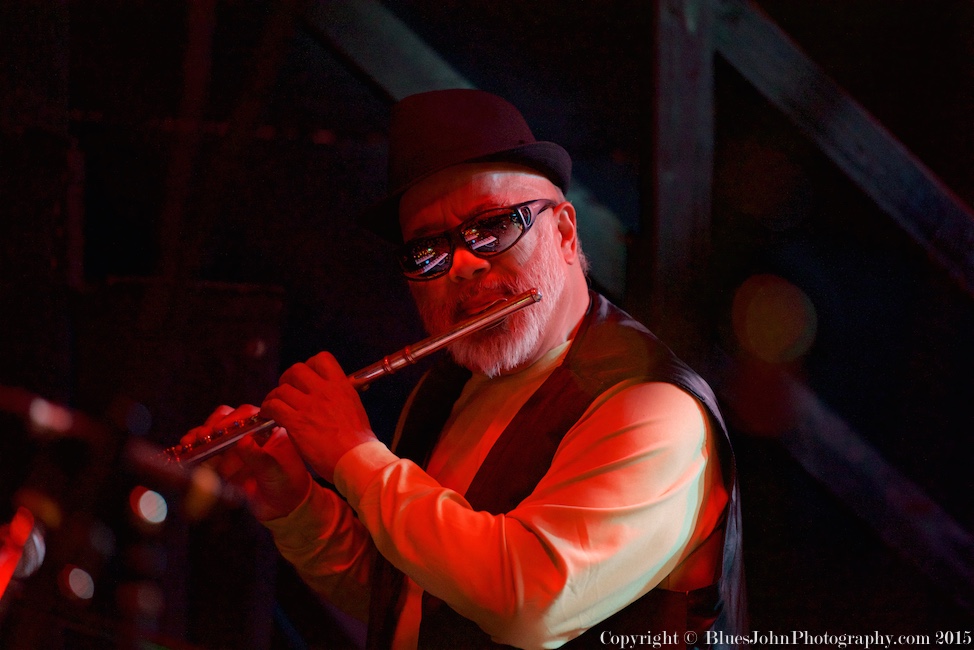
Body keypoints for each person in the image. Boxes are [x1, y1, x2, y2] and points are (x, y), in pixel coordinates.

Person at [184, 89, 745, 649]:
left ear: (566, 233)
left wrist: (355, 454)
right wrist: (298, 506)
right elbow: (417, 601)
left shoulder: (652, 406)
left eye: (492, 227)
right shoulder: (445, 390)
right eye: (428, 252)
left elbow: (530, 603)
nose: (464, 266)